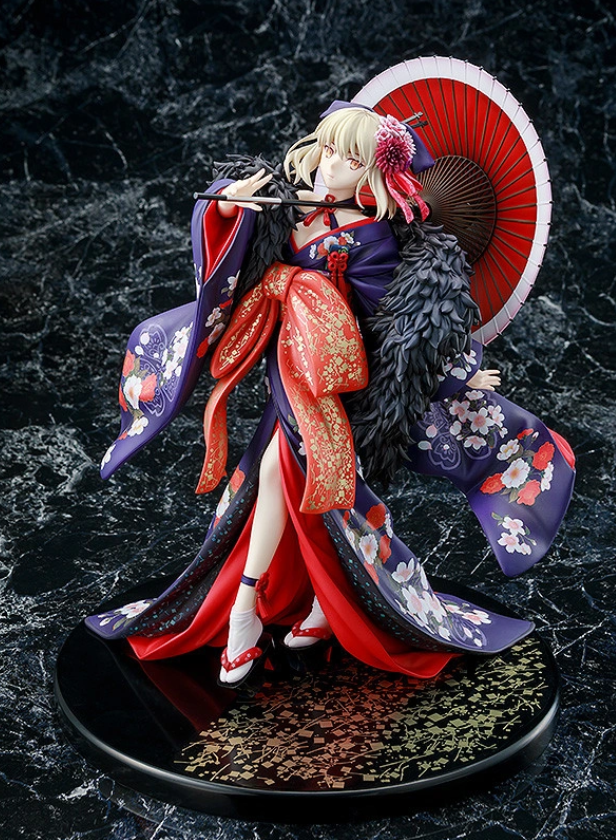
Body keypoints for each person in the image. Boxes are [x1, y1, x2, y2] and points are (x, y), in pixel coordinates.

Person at [86, 103, 575, 688]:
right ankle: (310, 605)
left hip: (335, 379)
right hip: (285, 365)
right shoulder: (287, 205)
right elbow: (232, 247)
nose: (329, 163)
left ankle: (247, 608)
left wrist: (457, 369)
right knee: (296, 485)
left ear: (373, 173)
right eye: (327, 146)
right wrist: (229, 205)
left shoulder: (372, 238)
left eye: (349, 158)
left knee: (281, 472)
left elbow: (404, 324)